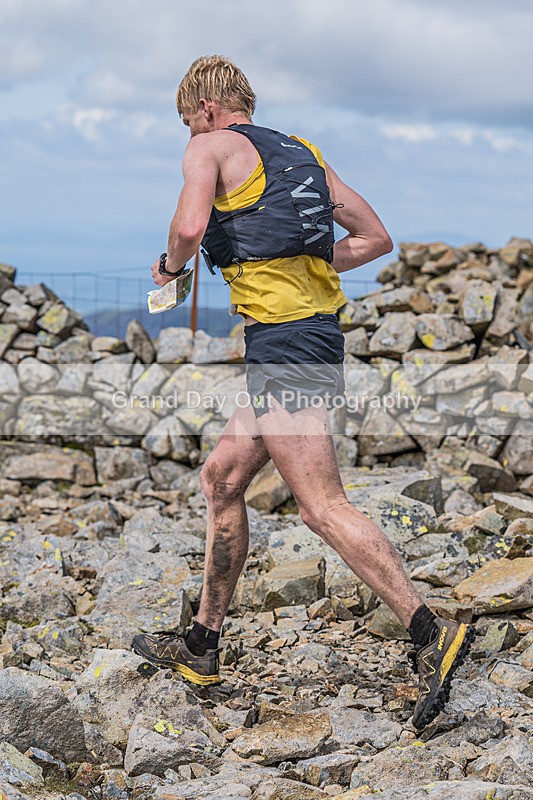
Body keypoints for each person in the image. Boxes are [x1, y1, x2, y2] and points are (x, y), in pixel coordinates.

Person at [132, 55, 475, 730]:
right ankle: (202, 645)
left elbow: (190, 227)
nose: (186, 137)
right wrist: (303, 257)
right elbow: (373, 239)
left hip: (285, 345)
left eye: (183, 123)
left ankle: (429, 631)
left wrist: (171, 267)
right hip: (308, 336)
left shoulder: (209, 145)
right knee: (222, 478)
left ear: (204, 108)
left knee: (319, 506)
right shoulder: (301, 154)